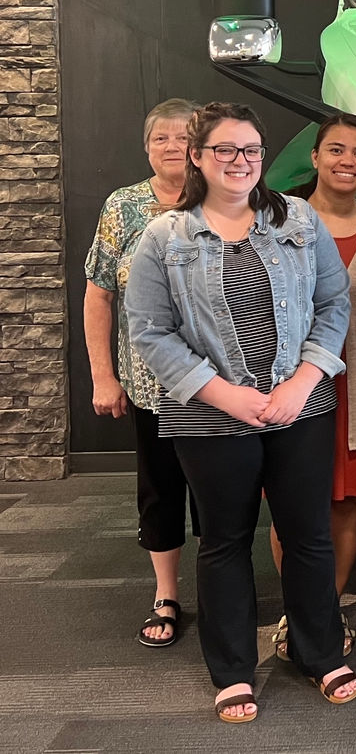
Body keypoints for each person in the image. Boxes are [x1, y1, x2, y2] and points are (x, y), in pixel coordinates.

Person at [125, 102, 356, 723]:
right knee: (224, 541)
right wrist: (226, 395)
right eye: (225, 150)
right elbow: (149, 332)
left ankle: (321, 653)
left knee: (308, 536)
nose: (240, 161)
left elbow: (335, 307)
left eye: (251, 150)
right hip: (208, 415)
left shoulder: (300, 221)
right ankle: (232, 671)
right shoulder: (164, 237)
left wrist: (303, 382)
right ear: (198, 158)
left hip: (300, 406)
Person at [269, 112, 356, 660]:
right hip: (291, 382)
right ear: (315, 158)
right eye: (337, 150)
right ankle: (298, 609)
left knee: (343, 503)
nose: (347, 161)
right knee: (291, 505)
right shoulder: (276, 218)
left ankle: (327, 609)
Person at [84, 98, 201, 648]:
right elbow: (99, 294)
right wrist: (103, 377)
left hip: (218, 386)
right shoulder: (123, 206)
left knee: (225, 494)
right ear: (146, 147)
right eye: (161, 139)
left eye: (183, 137)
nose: (173, 147)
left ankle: (230, 587)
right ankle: (166, 594)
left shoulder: (225, 197)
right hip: (152, 385)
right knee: (160, 491)